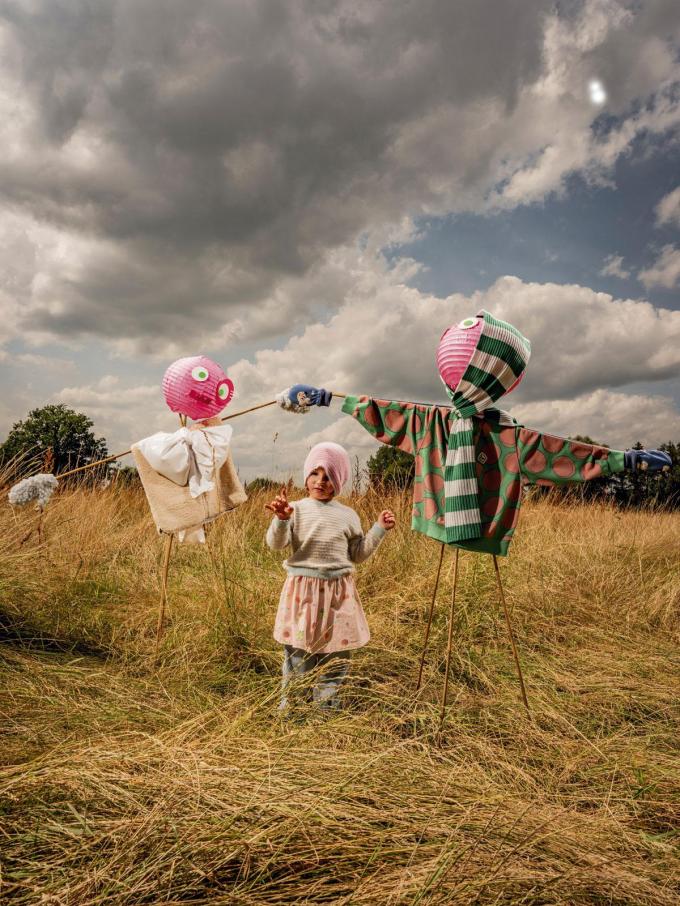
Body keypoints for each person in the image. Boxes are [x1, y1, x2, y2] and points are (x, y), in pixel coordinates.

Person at [265, 441, 395, 714]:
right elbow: (276, 544)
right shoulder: (295, 509)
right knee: (298, 654)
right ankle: (293, 710)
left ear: (339, 481)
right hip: (303, 595)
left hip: (338, 595)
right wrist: (281, 519)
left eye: (329, 476)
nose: (320, 481)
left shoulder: (347, 515)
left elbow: (357, 554)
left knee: (336, 656)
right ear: (306, 475)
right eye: (315, 473)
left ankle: (327, 710)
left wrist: (378, 530)